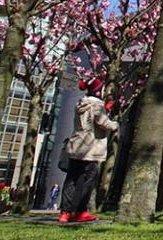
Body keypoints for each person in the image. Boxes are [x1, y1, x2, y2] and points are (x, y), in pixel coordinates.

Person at [59, 78, 118, 224]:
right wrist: (115, 124)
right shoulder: (97, 105)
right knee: (89, 179)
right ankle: (80, 211)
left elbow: (89, 119)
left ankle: (65, 213)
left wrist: (106, 109)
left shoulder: (81, 103)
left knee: (71, 179)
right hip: (90, 147)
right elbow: (103, 122)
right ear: (99, 91)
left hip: (76, 145)